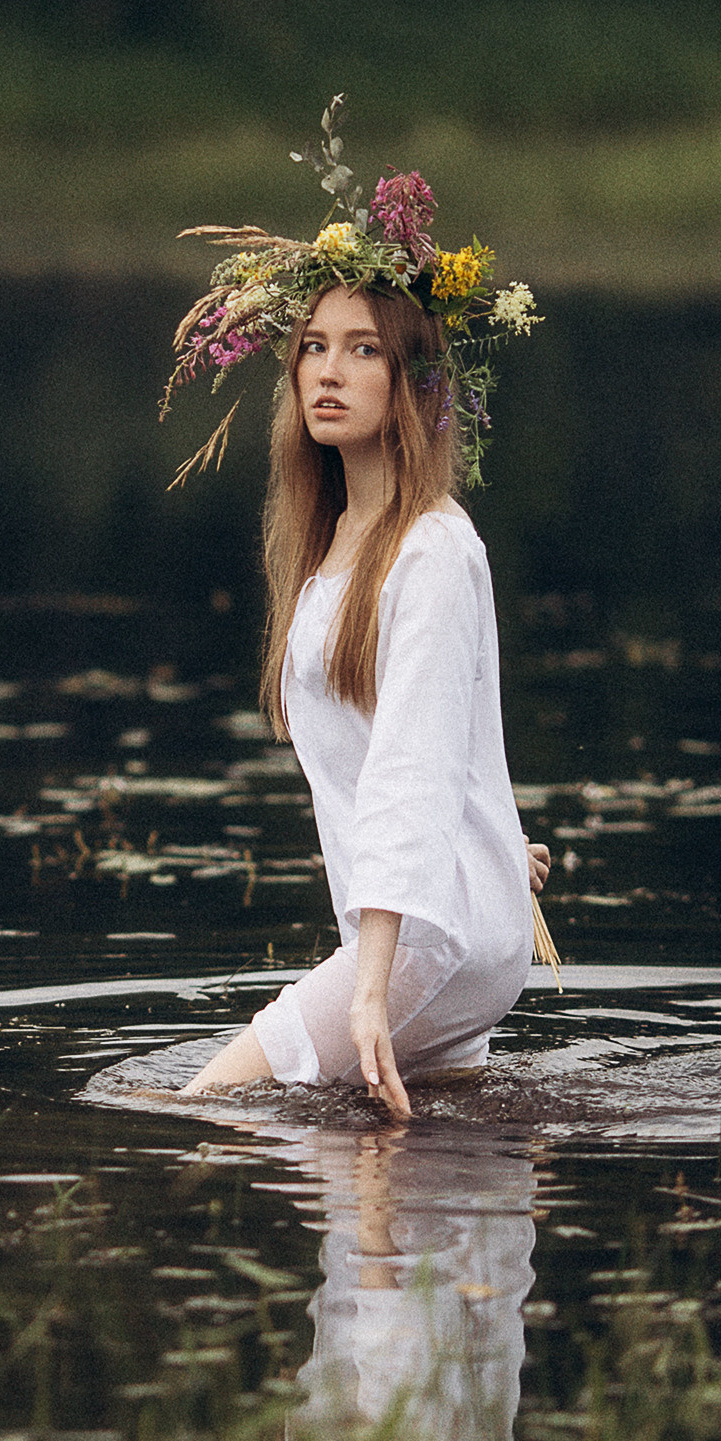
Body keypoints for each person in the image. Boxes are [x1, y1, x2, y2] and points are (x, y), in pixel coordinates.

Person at [160, 97, 550, 1112]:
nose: (328, 369)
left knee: (186, 1109)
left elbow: (413, 763)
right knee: (434, 1197)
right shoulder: (331, 542)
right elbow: (432, 737)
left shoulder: (430, 547)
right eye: (315, 345)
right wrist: (496, 843)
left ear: (414, 379)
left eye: (363, 348)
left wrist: (368, 985)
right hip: (450, 923)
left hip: (425, 941)